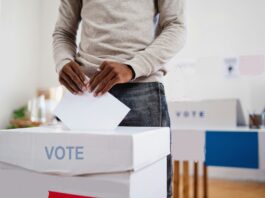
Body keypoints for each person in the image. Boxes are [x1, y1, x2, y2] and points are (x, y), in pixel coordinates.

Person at [53, 0, 186, 197]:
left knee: (150, 189)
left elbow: (176, 26)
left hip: (141, 88)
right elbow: (63, 32)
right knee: (82, 189)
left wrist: (133, 67)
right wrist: (63, 61)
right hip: (86, 94)